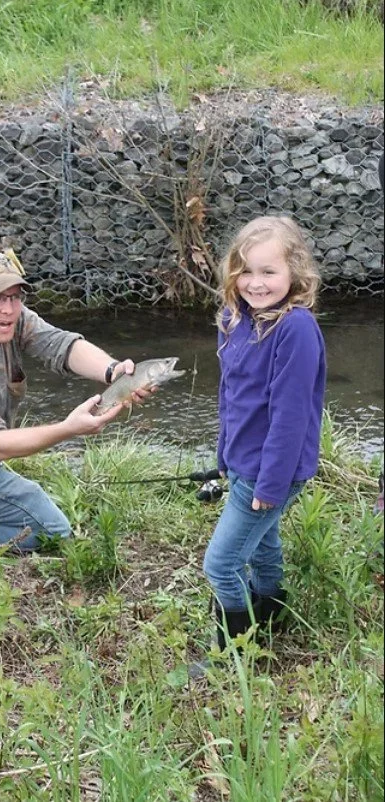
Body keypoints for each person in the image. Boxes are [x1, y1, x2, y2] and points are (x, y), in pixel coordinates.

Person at [0, 250, 148, 553]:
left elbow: (60, 345)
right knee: (55, 533)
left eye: (15, 296)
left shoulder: (10, 319)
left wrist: (113, 372)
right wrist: (69, 429)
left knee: (40, 512)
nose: (8, 308)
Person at [200, 216, 326, 659]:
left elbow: (290, 417)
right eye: (246, 271)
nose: (255, 283)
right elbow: (230, 396)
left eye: (269, 272)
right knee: (264, 544)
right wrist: (222, 455)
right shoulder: (234, 319)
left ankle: (233, 650)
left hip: (270, 470)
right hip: (241, 462)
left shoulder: (295, 329)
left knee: (220, 564)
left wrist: (272, 484)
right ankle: (271, 615)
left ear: (295, 273)